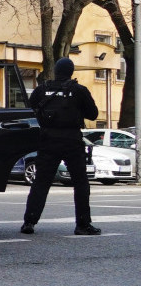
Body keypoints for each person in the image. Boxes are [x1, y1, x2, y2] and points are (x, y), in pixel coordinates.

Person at [21, 57, 100, 235]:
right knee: (80, 182)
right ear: (71, 72)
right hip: (72, 140)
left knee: (41, 182)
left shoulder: (42, 89)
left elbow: (30, 110)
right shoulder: (79, 90)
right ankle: (82, 224)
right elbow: (93, 114)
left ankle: (29, 222)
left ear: (56, 71)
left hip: (48, 139)